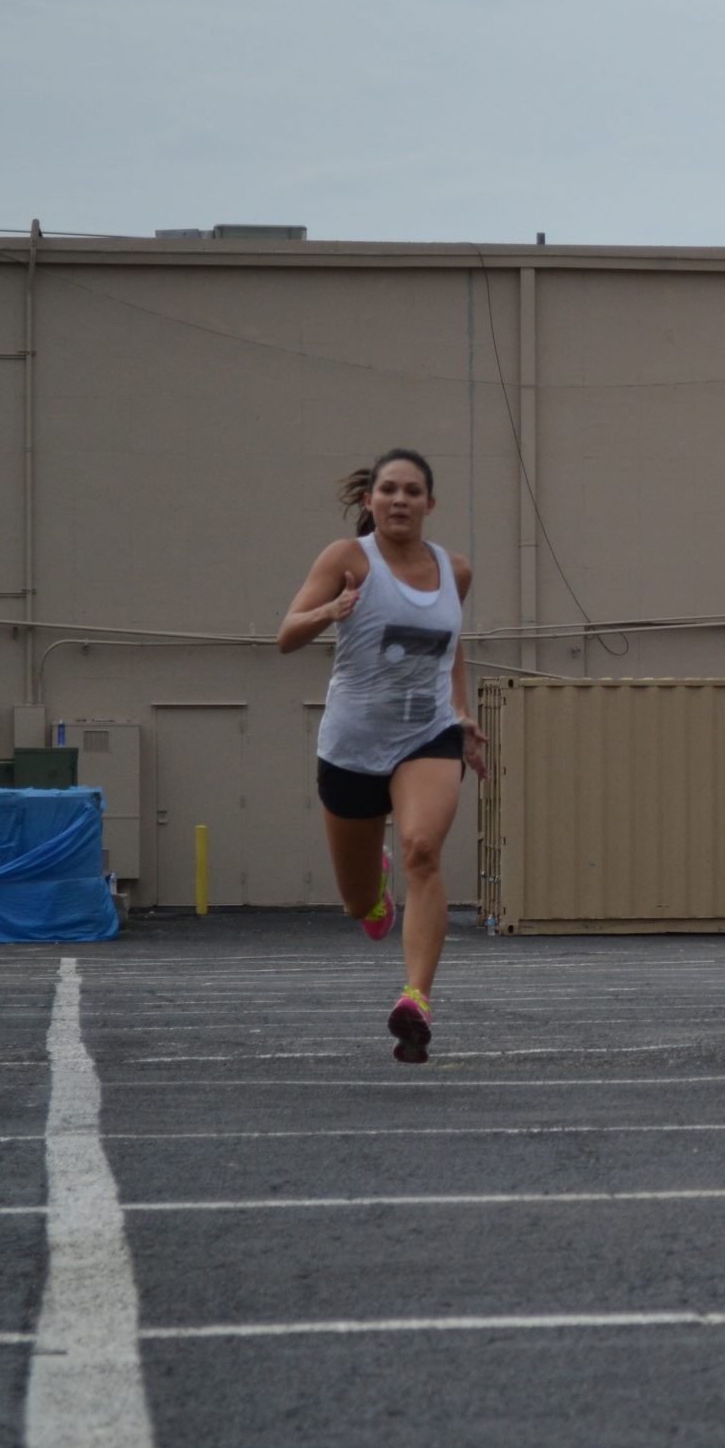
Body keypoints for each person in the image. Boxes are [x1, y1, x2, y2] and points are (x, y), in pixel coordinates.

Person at [278, 449, 484, 1064]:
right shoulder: (348, 559)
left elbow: (452, 646)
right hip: (353, 745)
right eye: (388, 489)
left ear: (430, 503)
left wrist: (462, 712)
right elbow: (287, 634)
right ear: (369, 500)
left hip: (427, 735)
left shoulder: (455, 571)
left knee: (424, 849)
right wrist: (331, 610)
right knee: (357, 901)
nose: (400, 500)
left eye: (412, 491)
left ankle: (416, 999)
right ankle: (374, 896)